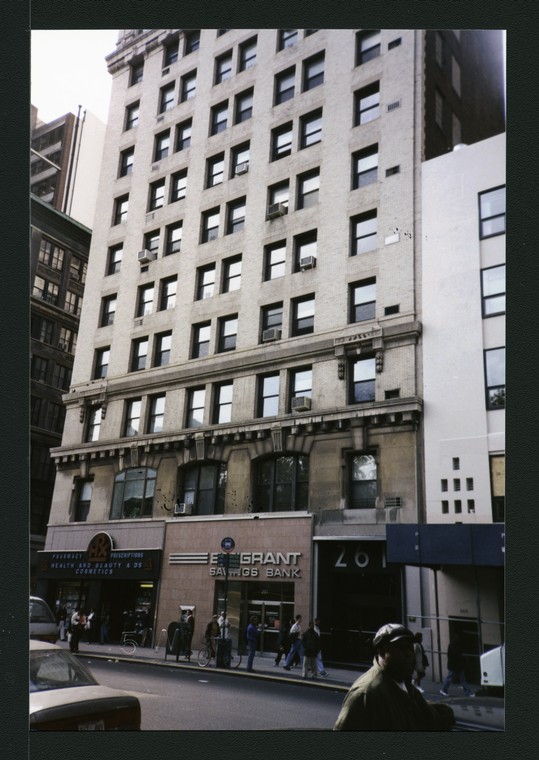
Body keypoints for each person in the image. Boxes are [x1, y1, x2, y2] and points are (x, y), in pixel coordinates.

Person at [334, 623, 455, 731]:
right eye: (400, 647)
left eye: (410, 647)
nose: (408, 653)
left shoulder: (405, 683)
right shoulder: (365, 694)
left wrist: (447, 712)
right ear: (381, 651)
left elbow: (427, 716)